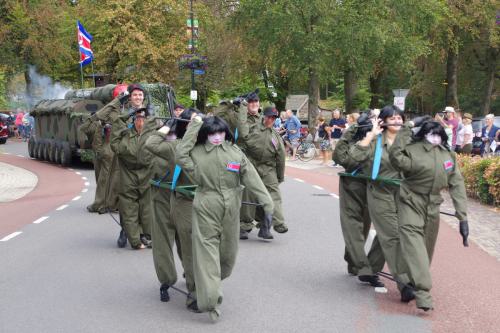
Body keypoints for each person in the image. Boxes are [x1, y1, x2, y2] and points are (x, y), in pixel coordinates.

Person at [176, 115, 273, 321]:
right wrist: (194, 125)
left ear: (225, 133)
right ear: (206, 135)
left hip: (232, 206)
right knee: (207, 253)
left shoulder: (235, 152)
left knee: (227, 256)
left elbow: (251, 176)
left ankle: (209, 284)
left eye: (220, 132)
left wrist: (267, 202)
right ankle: (210, 301)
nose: (217, 137)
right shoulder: (196, 153)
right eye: (212, 133)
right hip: (206, 204)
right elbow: (180, 154)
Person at [389, 118, 469, 311]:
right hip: (410, 202)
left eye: (438, 134)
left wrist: (463, 217)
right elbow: (396, 158)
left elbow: (456, 184)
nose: (435, 137)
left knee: (425, 251)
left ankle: (407, 283)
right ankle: (423, 294)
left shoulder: (447, 155)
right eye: (431, 133)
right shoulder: (412, 150)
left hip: (433, 206)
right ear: (424, 133)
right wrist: (407, 127)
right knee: (415, 248)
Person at [144, 109, 200, 311]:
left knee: (163, 242)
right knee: (186, 243)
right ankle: (192, 283)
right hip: (182, 200)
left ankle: (167, 280)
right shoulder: (198, 147)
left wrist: (166, 126)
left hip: (163, 197)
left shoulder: (173, 146)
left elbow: (149, 145)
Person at [349, 105, 405, 288]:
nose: (397, 120)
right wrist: (371, 134)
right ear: (384, 121)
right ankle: (405, 282)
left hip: (402, 194)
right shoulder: (376, 142)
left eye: (400, 117)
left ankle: (370, 270)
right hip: (380, 192)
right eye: (393, 117)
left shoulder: (408, 141)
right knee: (392, 234)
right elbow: (355, 155)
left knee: (387, 233)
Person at [332, 112, 385, 283]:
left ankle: (353, 261)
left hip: (372, 189)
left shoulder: (382, 141)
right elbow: (340, 158)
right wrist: (353, 130)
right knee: (354, 227)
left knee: (363, 228)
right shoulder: (355, 141)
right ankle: (363, 267)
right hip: (351, 187)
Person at [93, 83, 146, 247]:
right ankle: (125, 230)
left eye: (140, 95)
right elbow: (100, 116)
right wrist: (118, 100)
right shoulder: (120, 110)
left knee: (143, 200)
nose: (137, 98)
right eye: (134, 95)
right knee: (125, 198)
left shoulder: (149, 112)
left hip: (143, 160)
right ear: (129, 97)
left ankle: (141, 233)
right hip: (123, 160)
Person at [237, 106, 287, 239]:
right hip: (251, 165)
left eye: (273, 118)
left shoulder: (275, 136)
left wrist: (279, 176)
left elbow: (281, 157)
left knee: (273, 194)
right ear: (263, 116)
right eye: (269, 116)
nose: (271, 119)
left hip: (268, 168)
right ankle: (244, 225)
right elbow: (242, 135)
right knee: (248, 194)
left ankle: (275, 224)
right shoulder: (253, 128)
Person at [110, 107, 156, 249]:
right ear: (133, 121)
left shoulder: (153, 136)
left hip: (146, 176)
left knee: (147, 209)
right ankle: (135, 240)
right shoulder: (126, 136)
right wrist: (125, 115)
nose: (140, 122)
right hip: (128, 177)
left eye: (143, 119)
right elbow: (114, 137)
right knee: (129, 210)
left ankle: (147, 236)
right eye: (137, 119)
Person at [79, 115, 107, 213]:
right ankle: (101, 203)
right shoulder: (94, 124)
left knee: (107, 180)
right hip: (98, 155)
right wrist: (93, 119)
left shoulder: (114, 123)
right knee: (99, 179)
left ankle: (102, 204)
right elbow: (82, 129)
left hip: (110, 155)